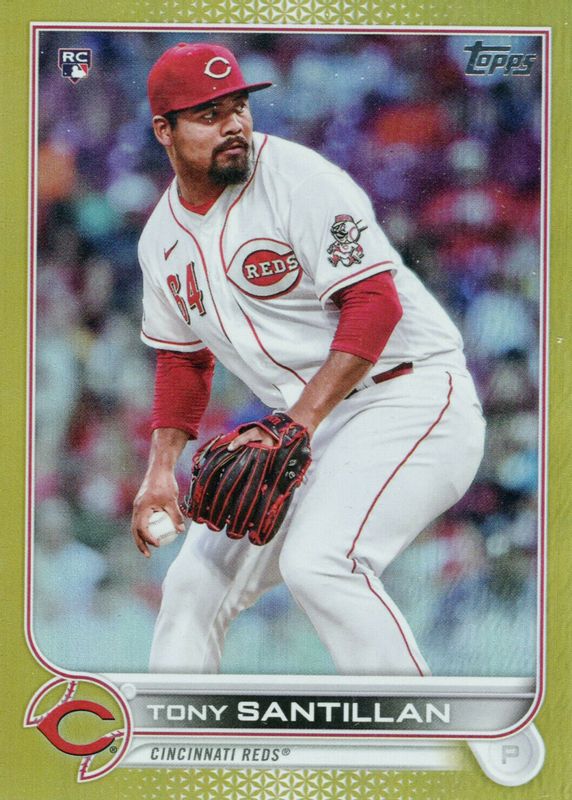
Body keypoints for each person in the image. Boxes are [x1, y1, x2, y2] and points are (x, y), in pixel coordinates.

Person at [131, 41, 486, 676]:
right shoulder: (160, 239)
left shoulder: (299, 180)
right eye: (210, 114)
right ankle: (175, 730)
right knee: (193, 584)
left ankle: (417, 726)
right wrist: (160, 471)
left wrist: (298, 421)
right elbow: (182, 361)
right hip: (308, 425)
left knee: (320, 563)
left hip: (410, 397)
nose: (233, 124)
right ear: (165, 131)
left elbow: (373, 305)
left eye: (239, 107)